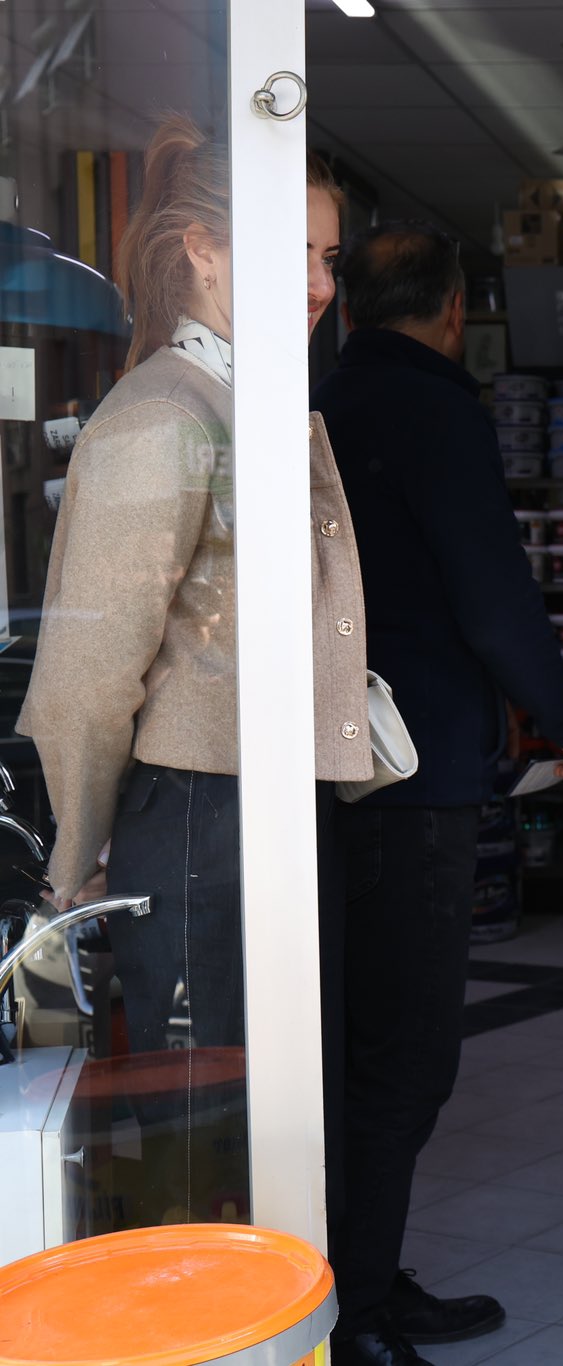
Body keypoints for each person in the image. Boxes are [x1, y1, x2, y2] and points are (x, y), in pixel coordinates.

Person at [312, 222, 563, 1366]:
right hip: (410, 772)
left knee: (351, 1041)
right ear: (453, 311)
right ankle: (357, 1312)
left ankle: (359, 1273)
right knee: (408, 1052)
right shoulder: (435, 409)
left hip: (331, 767)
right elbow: (491, 591)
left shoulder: (322, 398)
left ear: (349, 306)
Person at [20, 118, 370, 1047]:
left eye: (328, 257)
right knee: (204, 1115)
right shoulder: (167, 416)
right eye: (291, 253)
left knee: (266, 1102)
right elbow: (88, 675)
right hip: (195, 818)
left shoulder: (238, 401)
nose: (321, 285)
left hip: (249, 807)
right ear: (203, 251)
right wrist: (76, 859)